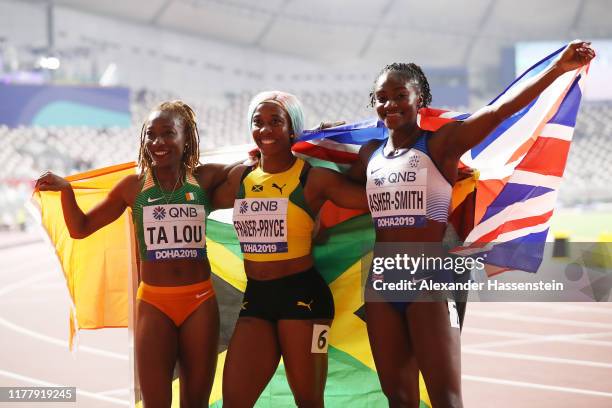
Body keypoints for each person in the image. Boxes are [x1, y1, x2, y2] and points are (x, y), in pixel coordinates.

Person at [346, 41, 595, 407]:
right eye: (381, 97)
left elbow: (500, 111)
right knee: (398, 398)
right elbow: (332, 169)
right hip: (381, 281)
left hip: (430, 278)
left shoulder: (441, 144)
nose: (390, 104)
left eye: (400, 95)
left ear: (420, 101)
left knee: (446, 399)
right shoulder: (370, 154)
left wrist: (558, 68)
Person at [35, 101, 237, 407]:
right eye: (150, 135)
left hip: (199, 303)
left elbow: (250, 173)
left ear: (188, 137)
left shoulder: (204, 179)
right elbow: (80, 228)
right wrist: (67, 191)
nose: (157, 143)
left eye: (168, 133)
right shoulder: (133, 186)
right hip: (154, 303)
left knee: (195, 403)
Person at [212, 91, 369, 408]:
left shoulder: (313, 178)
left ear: (292, 129)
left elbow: (370, 199)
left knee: (309, 402)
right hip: (256, 298)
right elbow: (194, 195)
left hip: (305, 301)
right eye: (258, 122)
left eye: (275, 122)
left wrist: (367, 156)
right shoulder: (240, 178)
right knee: (235, 401)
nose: (265, 129)